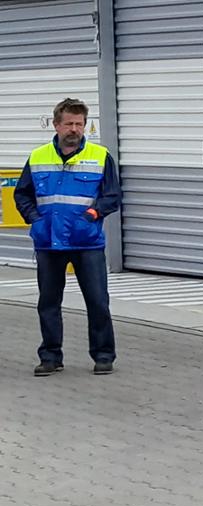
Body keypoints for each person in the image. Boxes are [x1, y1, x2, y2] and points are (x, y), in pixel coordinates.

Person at [21, 97, 119, 377]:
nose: (74, 129)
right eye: (68, 124)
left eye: (79, 124)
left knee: (97, 301)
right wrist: (36, 220)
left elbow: (112, 196)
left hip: (86, 241)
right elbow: (22, 195)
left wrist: (92, 215)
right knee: (48, 303)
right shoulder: (38, 156)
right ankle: (50, 357)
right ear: (56, 125)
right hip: (48, 241)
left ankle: (103, 355)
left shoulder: (100, 156)